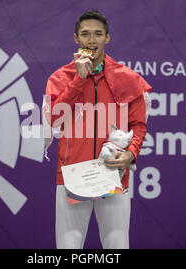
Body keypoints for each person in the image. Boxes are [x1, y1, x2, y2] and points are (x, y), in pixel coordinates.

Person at [44, 9, 152, 249]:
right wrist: (78, 80)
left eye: (97, 34)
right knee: (67, 247)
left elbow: (138, 125)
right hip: (71, 173)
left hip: (112, 171)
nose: (91, 40)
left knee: (117, 244)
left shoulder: (128, 78)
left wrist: (130, 154)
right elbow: (53, 120)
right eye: (85, 34)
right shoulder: (60, 78)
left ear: (107, 38)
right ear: (75, 39)